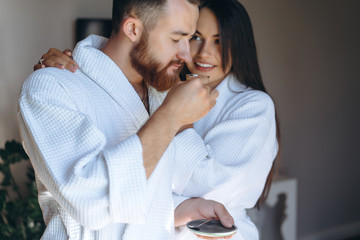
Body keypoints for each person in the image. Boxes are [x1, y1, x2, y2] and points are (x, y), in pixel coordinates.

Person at [35, 0, 280, 239]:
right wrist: (172, 116)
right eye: (182, 38)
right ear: (132, 29)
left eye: (217, 41)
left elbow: (181, 190)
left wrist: (184, 207)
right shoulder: (56, 85)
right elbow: (94, 202)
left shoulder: (162, 92)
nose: (190, 54)